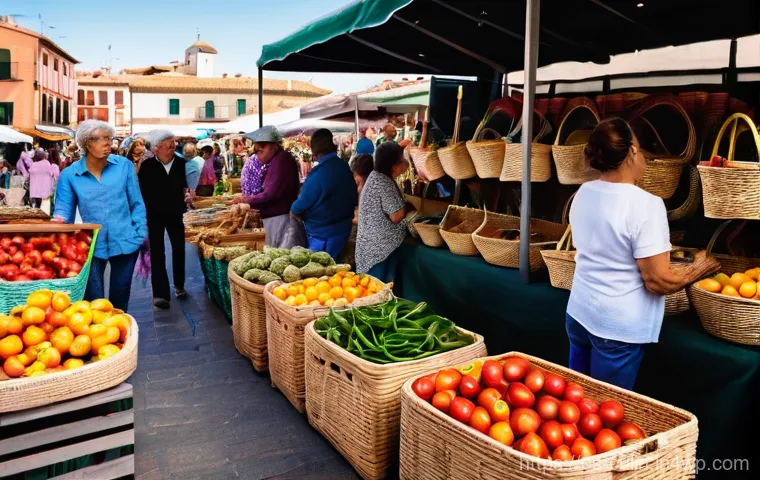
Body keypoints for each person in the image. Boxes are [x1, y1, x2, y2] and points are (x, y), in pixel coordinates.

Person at [566, 117, 721, 390]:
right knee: (606, 413)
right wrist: (700, 267)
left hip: (579, 313)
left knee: (577, 403)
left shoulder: (583, 192)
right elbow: (657, 281)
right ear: (632, 152)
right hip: (614, 327)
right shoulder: (646, 204)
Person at [53, 120, 147, 312]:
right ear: (87, 144)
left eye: (108, 138)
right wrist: (58, 225)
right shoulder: (70, 175)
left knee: (120, 299)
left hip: (126, 240)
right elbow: (63, 211)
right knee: (94, 302)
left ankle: (120, 338)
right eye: (99, 139)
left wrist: (140, 233)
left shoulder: (124, 166)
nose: (107, 143)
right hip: (90, 244)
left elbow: (136, 202)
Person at [232, 126, 305, 249]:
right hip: (277, 218)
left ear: (274, 147)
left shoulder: (282, 161)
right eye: (256, 152)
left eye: (261, 151)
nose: (259, 156)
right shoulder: (277, 160)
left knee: (280, 255)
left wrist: (246, 200)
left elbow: (270, 194)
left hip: (281, 219)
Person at [138, 129, 188, 309]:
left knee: (179, 248)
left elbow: (188, 187)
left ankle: (179, 284)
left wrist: (189, 195)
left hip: (176, 213)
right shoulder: (147, 166)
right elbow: (142, 192)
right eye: (167, 146)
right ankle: (160, 294)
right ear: (156, 148)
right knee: (157, 253)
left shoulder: (183, 163)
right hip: (154, 216)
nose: (171, 148)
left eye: (173, 145)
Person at [290, 128, 357, 260]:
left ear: (314, 151)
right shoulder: (344, 167)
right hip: (344, 232)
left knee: (321, 274)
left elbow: (296, 208)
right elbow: (354, 197)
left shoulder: (318, 174)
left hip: (323, 237)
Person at [355, 142, 409, 282]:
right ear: (393, 165)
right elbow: (396, 216)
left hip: (374, 248)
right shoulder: (383, 182)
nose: (405, 162)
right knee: (377, 292)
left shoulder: (376, 176)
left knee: (378, 292)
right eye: (401, 159)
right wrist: (408, 207)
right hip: (377, 252)